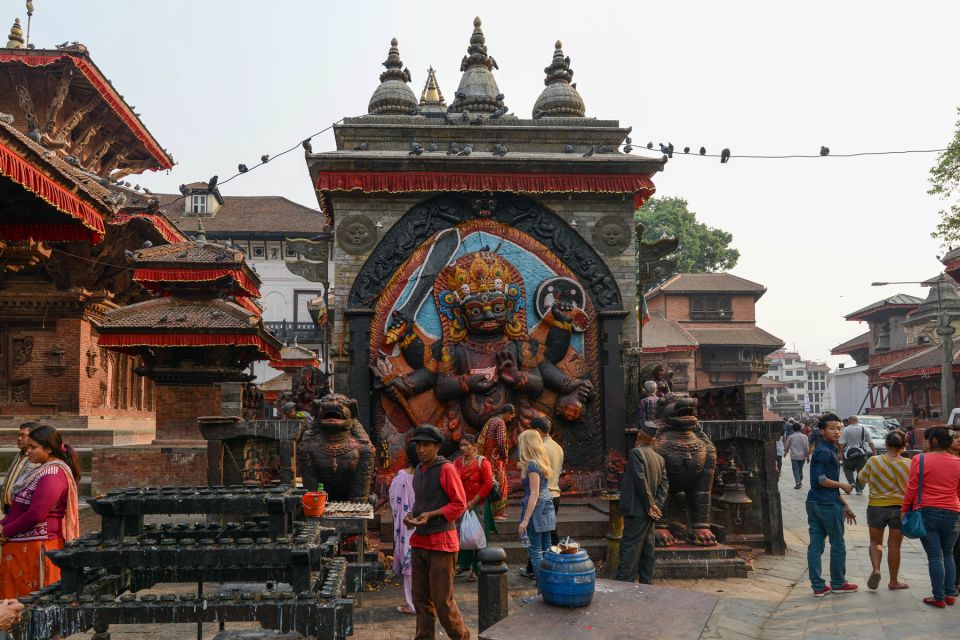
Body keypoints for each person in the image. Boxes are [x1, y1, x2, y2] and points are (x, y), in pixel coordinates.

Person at [403, 425, 469, 640]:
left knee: (442, 602)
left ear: (437, 447)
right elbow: (422, 503)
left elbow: (459, 504)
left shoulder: (446, 469)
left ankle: (462, 637)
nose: (421, 450)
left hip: (441, 543)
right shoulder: (419, 472)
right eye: (418, 445)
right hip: (420, 542)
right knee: (420, 600)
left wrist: (431, 515)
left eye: (426, 445)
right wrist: (412, 515)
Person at [0, 425, 81, 599]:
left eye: (33, 447)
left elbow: (36, 514)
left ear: (49, 449)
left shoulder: (52, 474)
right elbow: (18, 508)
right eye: (28, 447)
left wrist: (6, 531)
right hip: (22, 548)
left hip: (37, 549)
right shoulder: (41, 470)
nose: (28, 451)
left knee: (29, 605)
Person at [901, 427, 960, 608]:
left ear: (933, 440)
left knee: (935, 556)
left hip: (927, 511)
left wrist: (904, 509)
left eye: (926, 439)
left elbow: (912, 487)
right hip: (954, 511)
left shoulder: (920, 459)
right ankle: (950, 594)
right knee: (948, 554)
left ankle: (938, 597)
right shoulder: (958, 462)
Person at [806, 413, 859, 597]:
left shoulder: (828, 449)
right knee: (837, 544)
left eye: (839, 428)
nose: (837, 432)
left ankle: (818, 586)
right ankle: (837, 582)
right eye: (832, 428)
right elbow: (820, 479)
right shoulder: (824, 451)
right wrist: (843, 485)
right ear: (822, 431)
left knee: (816, 544)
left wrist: (844, 505)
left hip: (816, 501)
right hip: (826, 504)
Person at [614, 422, 668, 584]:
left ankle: (625, 584)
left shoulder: (636, 453)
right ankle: (646, 583)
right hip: (648, 512)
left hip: (637, 510)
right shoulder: (659, 459)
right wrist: (656, 505)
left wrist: (650, 505)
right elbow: (665, 484)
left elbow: (640, 478)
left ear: (639, 436)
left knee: (630, 548)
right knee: (647, 548)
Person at [856, 430, 911, 591]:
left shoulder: (874, 461)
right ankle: (894, 581)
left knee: (875, 542)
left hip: (876, 507)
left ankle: (876, 570)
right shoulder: (909, 463)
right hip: (898, 508)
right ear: (903, 446)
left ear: (886, 444)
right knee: (894, 546)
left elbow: (861, 479)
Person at [521, 416, 564, 580]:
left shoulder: (540, 451)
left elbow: (534, 491)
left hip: (539, 499)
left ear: (537, 432)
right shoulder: (557, 447)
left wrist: (524, 520)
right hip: (552, 495)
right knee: (547, 543)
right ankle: (546, 578)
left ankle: (541, 579)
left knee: (539, 546)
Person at [516, 429, 557, 593]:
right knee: (547, 550)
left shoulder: (532, 465)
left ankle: (542, 590)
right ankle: (549, 589)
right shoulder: (541, 462)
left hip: (536, 510)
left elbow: (534, 493)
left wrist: (525, 521)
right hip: (547, 507)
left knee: (535, 552)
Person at [454, 434, 494, 582]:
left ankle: (476, 569)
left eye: (466, 445)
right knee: (462, 534)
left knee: (477, 537)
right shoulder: (458, 462)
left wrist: (473, 502)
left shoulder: (482, 462)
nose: (463, 448)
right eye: (461, 445)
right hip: (461, 505)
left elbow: (488, 484)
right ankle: (463, 564)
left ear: (474, 446)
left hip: (478, 506)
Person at [389, 441, 419, 615]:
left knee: (409, 568)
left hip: (406, 526)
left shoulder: (400, 479)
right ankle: (423, 601)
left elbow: (394, 503)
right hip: (426, 524)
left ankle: (412, 604)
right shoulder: (430, 475)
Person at [477, 405, 512, 520]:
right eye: (511, 415)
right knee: (499, 483)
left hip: (488, 457)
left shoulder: (491, 420)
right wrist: (505, 456)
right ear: (507, 412)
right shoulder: (500, 422)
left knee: (492, 482)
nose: (511, 419)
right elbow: (501, 442)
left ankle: (496, 512)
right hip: (496, 458)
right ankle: (496, 513)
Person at [0, 423, 39, 515]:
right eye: (18, 435)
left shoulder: (36, 459)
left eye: (23, 435)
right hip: (9, 509)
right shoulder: (20, 454)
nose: (19, 438)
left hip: (21, 512)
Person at [840, 415, 876, 494]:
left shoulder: (845, 430)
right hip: (862, 454)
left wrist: (839, 454)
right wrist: (874, 452)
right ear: (857, 420)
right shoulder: (863, 429)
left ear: (849, 421)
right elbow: (870, 442)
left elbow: (841, 444)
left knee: (847, 469)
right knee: (861, 471)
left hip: (848, 455)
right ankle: (859, 489)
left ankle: (852, 482)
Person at [786, 423, 810, 489]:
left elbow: (787, 446)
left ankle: (798, 482)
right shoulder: (805, 437)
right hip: (802, 456)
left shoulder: (790, 437)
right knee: (800, 469)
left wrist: (785, 453)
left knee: (795, 470)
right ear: (800, 428)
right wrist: (808, 457)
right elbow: (807, 448)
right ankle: (799, 481)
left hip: (794, 456)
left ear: (793, 428)